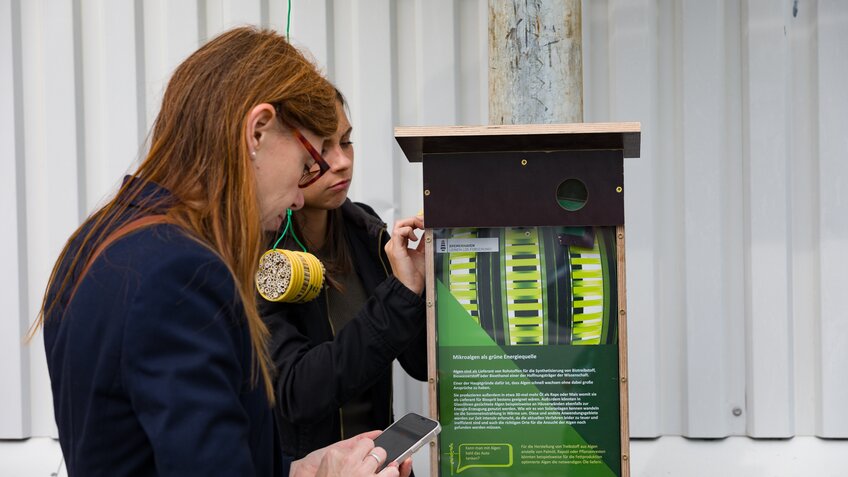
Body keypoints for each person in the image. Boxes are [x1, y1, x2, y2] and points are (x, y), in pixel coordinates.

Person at [30, 26, 422, 477]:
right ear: (257, 130)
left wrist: (307, 471)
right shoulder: (182, 273)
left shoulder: (97, 240)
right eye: (306, 166)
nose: (299, 198)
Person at [261, 90, 428, 460]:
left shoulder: (366, 233)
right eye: (321, 149)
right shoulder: (264, 257)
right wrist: (396, 298)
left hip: (381, 464)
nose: (341, 162)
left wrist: (421, 287)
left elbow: (421, 365)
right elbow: (296, 393)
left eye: (347, 142)